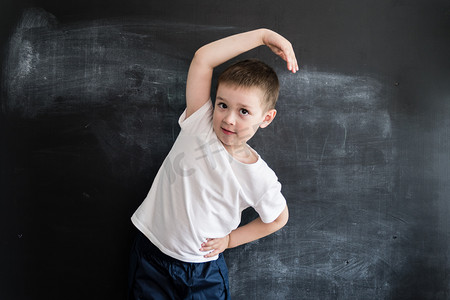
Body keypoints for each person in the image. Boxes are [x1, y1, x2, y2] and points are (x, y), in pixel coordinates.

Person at [128, 28, 299, 300]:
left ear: (266, 118)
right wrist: (263, 36)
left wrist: (231, 240)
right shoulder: (200, 124)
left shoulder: (259, 177)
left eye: (244, 111)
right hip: (153, 256)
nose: (229, 119)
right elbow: (203, 58)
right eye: (222, 105)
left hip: (203, 272)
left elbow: (278, 218)